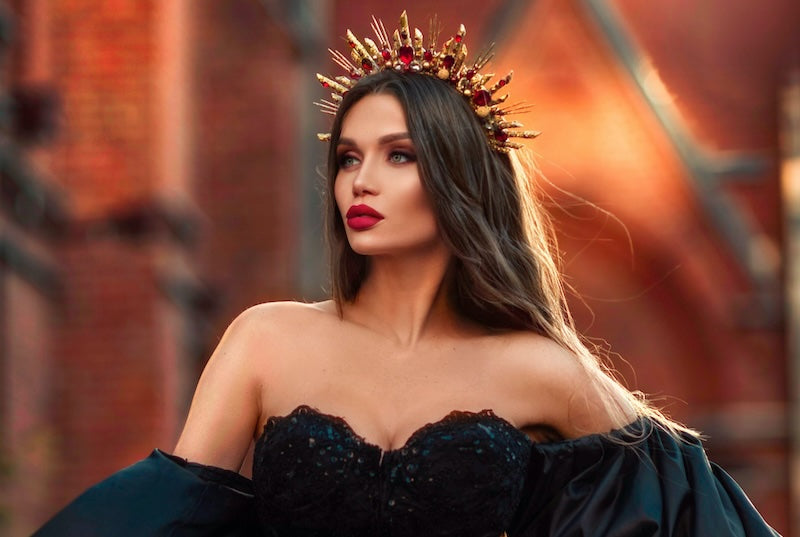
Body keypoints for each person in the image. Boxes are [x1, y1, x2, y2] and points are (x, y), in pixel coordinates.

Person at [34, 10, 779, 537]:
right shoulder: (266, 340)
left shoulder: (537, 368)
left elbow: (690, 502)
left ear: (459, 180)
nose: (361, 181)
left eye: (398, 156)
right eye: (349, 158)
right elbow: (162, 519)